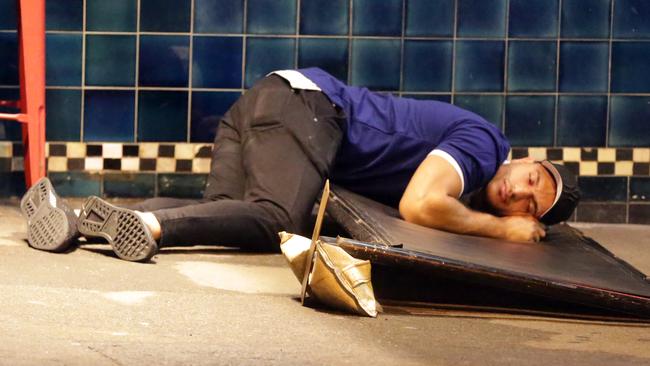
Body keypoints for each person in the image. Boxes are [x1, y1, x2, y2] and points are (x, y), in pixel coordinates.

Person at [20, 68, 580, 262]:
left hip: (270, 101)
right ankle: (149, 226)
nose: (519, 196)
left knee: (227, 214)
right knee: (275, 220)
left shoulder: (480, 176)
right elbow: (420, 204)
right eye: (531, 180)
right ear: (526, 159)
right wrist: (503, 229)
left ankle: (76, 216)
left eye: (532, 205)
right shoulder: (486, 146)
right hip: (308, 108)